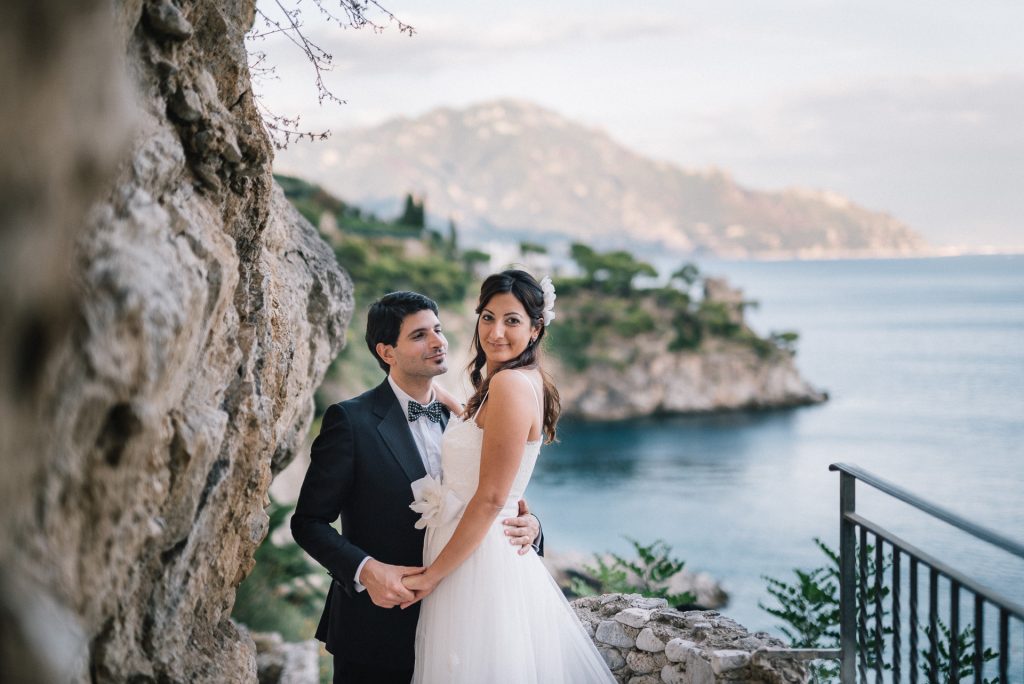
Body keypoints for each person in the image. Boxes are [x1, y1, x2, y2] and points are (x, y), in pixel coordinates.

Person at [290, 291, 542, 684]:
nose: (439, 342)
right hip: (377, 631)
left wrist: (533, 529)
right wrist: (366, 571)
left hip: (461, 627)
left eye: (439, 330)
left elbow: (498, 497)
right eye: (419, 335)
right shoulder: (350, 422)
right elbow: (308, 522)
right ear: (386, 352)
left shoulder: (466, 418)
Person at [401, 271, 615, 683]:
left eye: (512, 321)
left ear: (536, 329)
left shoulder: (511, 385)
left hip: (478, 561)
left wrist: (432, 576)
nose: (495, 332)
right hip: (470, 550)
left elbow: (490, 498)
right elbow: (484, 437)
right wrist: (445, 399)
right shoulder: (504, 382)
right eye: (487, 317)